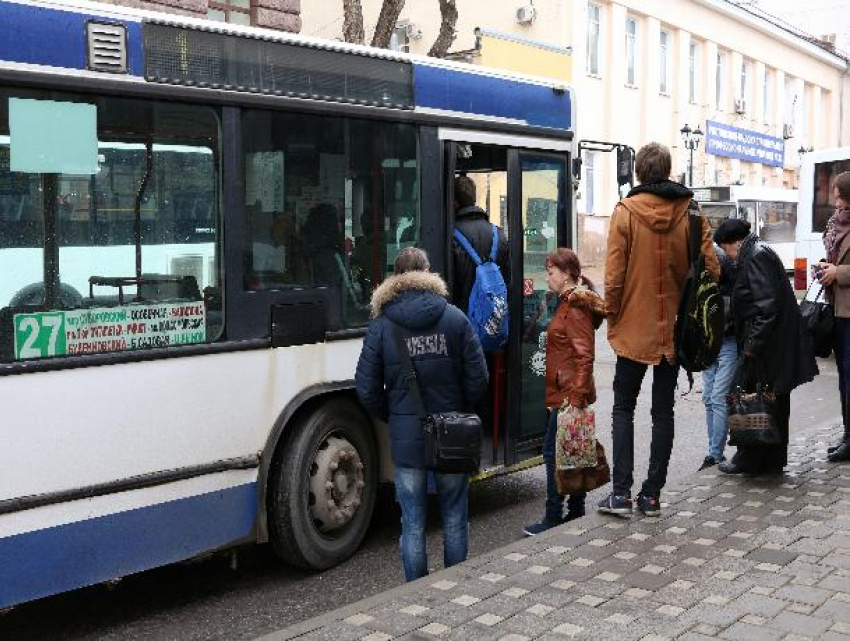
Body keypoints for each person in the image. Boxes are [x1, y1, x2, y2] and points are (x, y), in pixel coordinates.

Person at [599, 142, 719, 518]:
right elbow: (712, 271)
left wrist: (612, 313)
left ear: (638, 173)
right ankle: (651, 496)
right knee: (662, 411)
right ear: (667, 171)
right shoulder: (692, 213)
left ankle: (620, 494)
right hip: (677, 331)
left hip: (633, 328)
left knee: (623, 408)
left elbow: (614, 276)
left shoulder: (625, 213)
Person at [355, 247, 488, 581]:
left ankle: (417, 592)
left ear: (396, 277)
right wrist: (460, 408)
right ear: (428, 273)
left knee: (412, 522)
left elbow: (367, 389)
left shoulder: (382, 326)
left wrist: (396, 416)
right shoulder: (455, 318)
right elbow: (479, 378)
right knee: (455, 514)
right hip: (453, 436)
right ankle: (454, 585)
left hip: (408, 440)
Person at [714, 218, 818, 474]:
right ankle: (769, 461)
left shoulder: (755, 256)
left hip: (766, 346)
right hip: (773, 343)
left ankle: (750, 458)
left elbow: (766, 307)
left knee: (752, 398)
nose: (727, 256)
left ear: (734, 243)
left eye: (725, 249)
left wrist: (751, 347)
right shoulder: (759, 251)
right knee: (773, 401)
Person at [523, 248, 605, 536]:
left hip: (569, 394)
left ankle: (554, 515)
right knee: (574, 450)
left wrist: (576, 397)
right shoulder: (566, 303)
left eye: (551, 272)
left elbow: (585, 356)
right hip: (566, 392)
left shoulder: (576, 307)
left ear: (568, 274)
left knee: (554, 452)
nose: (548, 277)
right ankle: (576, 510)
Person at [814, 171, 850, 462]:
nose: (835, 200)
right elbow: (833, 259)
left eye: (839, 195)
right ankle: (847, 434)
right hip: (836, 309)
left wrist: (839, 272)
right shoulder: (834, 224)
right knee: (844, 377)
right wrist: (825, 266)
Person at [699, 242, 739, 470]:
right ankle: (713, 452)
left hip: (726, 343)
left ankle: (714, 454)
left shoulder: (731, 280)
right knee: (709, 399)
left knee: (717, 399)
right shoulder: (704, 281)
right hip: (710, 346)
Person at [451, 176, 510, 314]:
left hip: (461, 318)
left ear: (454, 203)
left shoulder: (450, 236)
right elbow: (508, 279)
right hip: (492, 320)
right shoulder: (499, 234)